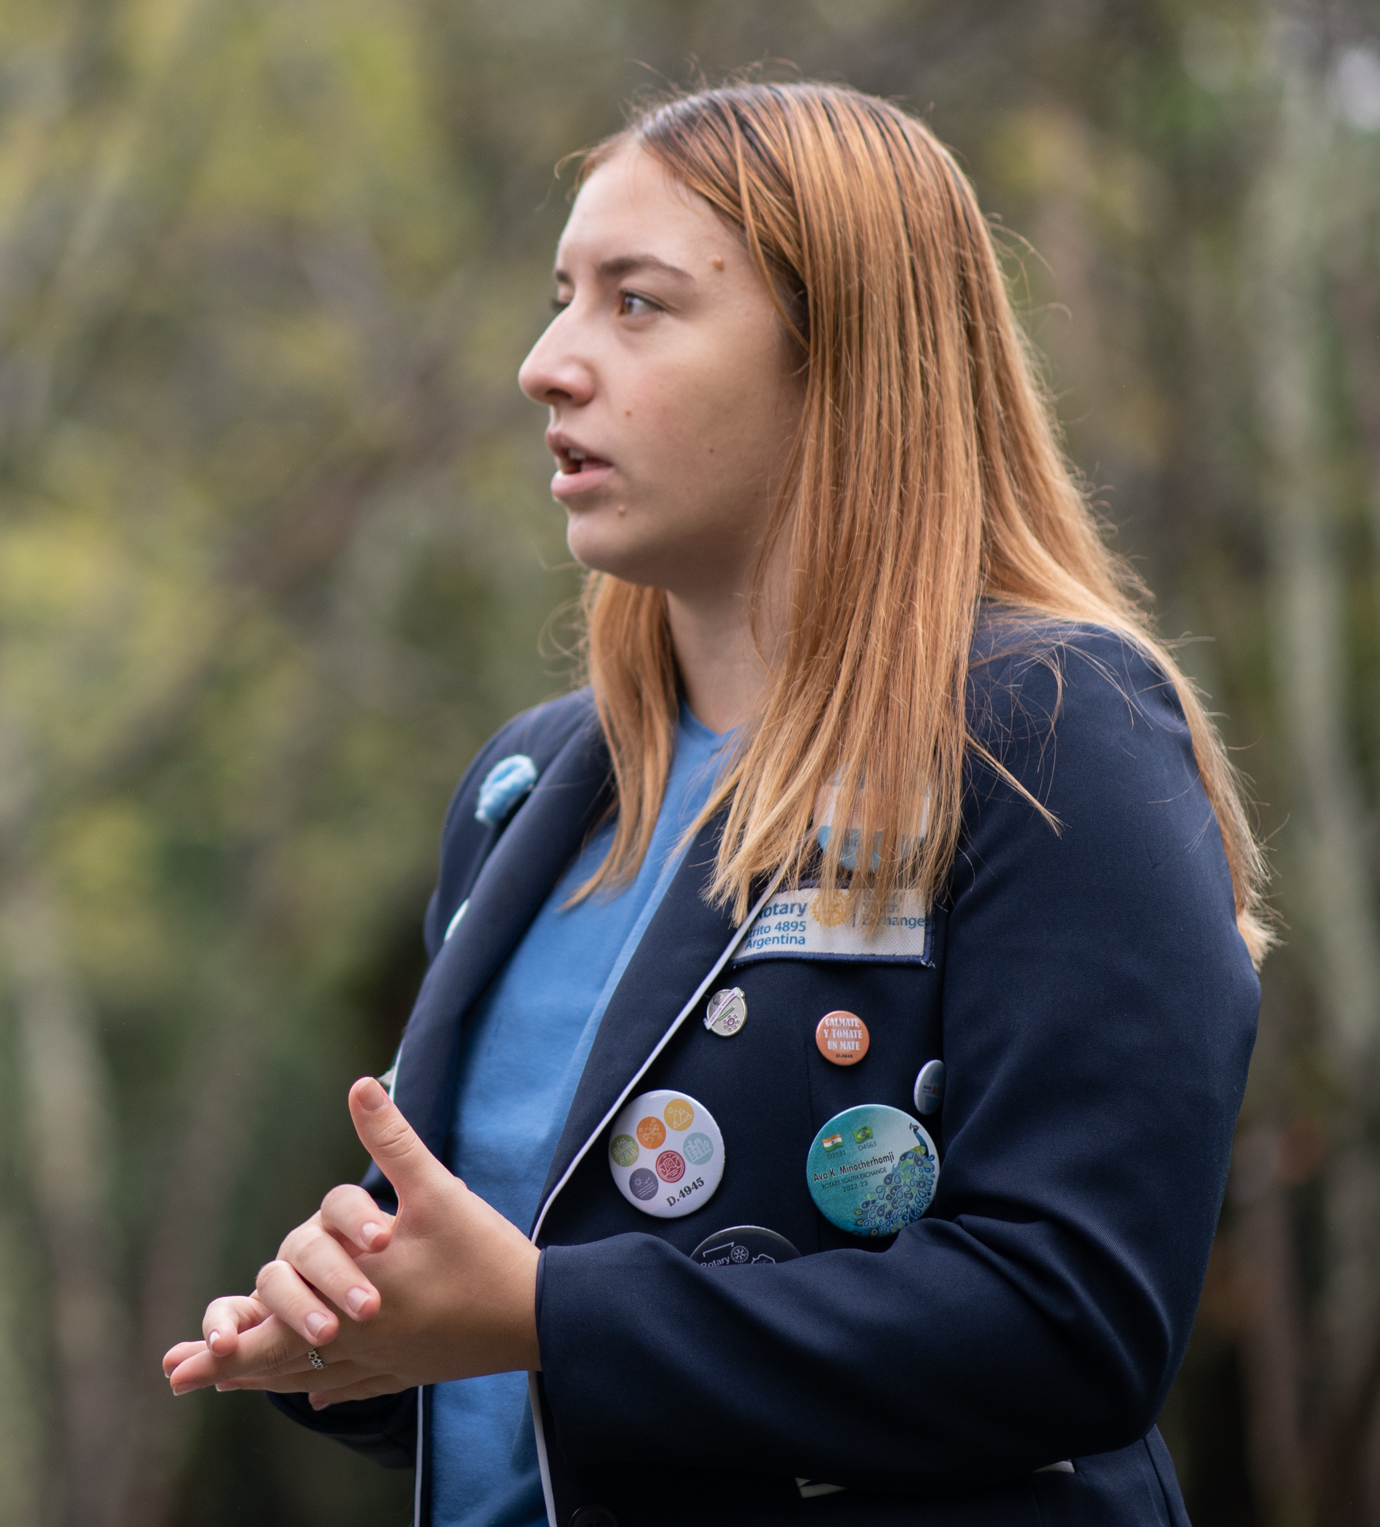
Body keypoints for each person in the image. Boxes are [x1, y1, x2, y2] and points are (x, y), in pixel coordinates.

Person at [162, 83, 1268, 1526]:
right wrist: (363, 1333)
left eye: (639, 305)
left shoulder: (1053, 728)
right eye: (562, 298)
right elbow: (528, 1392)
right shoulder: (529, 795)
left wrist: (549, 1313)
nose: (546, 365)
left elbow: (1073, 1322)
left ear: (841, 361)